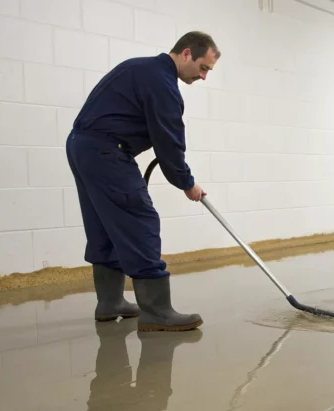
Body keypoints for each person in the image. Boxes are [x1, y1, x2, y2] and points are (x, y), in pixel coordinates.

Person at [65, 31, 220, 332]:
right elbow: (169, 144)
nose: (203, 78)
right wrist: (187, 183)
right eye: (203, 68)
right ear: (186, 53)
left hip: (81, 146)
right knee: (141, 220)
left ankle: (110, 303)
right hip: (106, 151)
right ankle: (157, 311)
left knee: (105, 225)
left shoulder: (139, 67)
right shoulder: (162, 85)